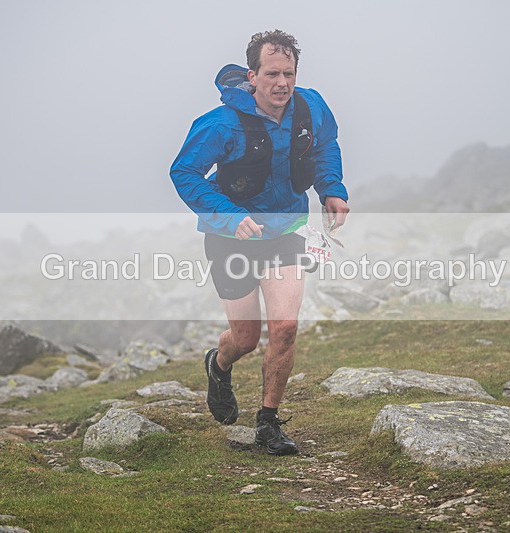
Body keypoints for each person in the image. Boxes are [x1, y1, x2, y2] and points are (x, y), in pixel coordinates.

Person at [170, 29, 349, 455]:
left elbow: (325, 147)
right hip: (229, 238)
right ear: (252, 75)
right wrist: (231, 218)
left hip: (285, 231)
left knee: (284, 329)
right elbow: (184, 173)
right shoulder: (220, 123)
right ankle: (219, 363)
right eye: (272, 73)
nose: (282, 83)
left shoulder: (311, 106)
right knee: (246, 338)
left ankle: (268, 423)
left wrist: (332, 189)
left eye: (289, 73)